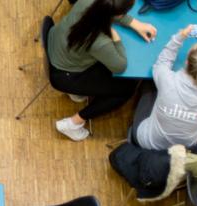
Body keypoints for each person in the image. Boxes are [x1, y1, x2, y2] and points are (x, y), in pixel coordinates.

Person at [47, 0, 157, 141]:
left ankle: (76, 93)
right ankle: (73, 123)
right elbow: (120, 66)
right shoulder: (99, 41)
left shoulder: (88, 3)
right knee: (126, 88)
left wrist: (136, 24)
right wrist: (116, 38)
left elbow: (107, 9)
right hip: (65, 74)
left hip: (56, 43)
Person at [135, 28, 197, 150]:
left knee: (148, 85)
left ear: (186, 62)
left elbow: (161, 64)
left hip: (150, 141)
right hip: (186, 146)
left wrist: (179, 37)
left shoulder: (169, 82)